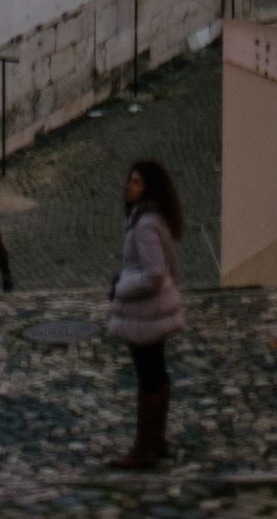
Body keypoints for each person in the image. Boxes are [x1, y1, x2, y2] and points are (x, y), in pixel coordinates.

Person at [106, 159, 184, 469]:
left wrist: (122, 287)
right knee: (157, 373)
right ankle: (157, 439)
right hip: (155, 309)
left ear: (149, 188)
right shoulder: (153, 217)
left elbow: (154, 272)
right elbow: (169, 266)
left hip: (145, 312)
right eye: (129, 180)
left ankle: (143, 449)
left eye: (136, 182)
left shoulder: (145, 223)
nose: (128, 185)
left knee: (147, 377)